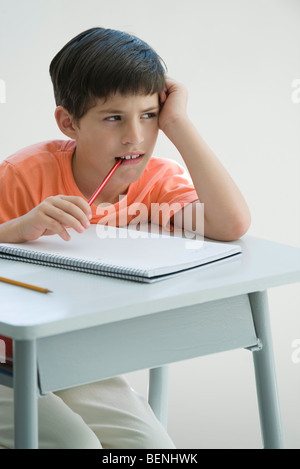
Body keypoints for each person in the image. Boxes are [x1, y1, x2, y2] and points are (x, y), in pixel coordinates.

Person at [0, 27, 251, 449]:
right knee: (76, 444)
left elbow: (230, 224)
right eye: (113, 117)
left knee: (153, 447)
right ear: (68, 122)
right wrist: (14, 230)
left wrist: (179, 123)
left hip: (70, 352)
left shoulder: (156, 182)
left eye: (149, 115)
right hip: (7, 358)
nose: (135, 135)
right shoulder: (22, 174)